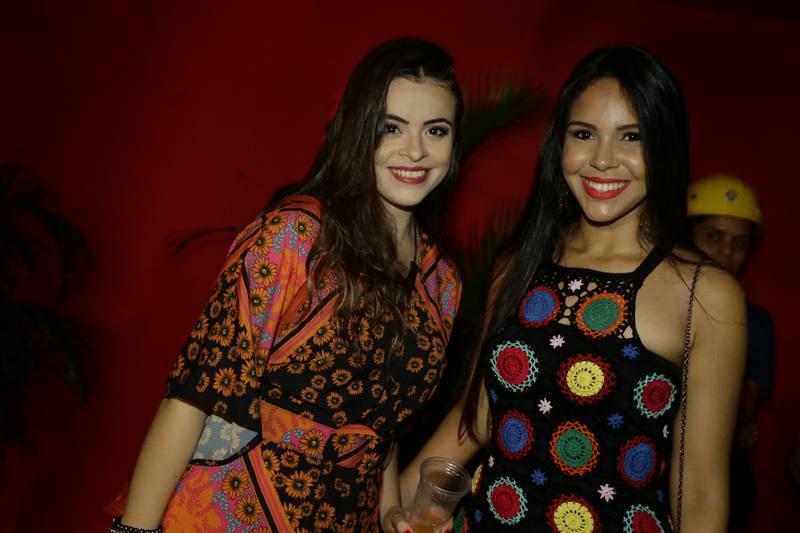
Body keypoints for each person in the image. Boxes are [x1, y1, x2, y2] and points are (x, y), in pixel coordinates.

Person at [113, 37, 463, 532]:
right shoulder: (296, 237)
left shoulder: (442, 282)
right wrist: (133, 530)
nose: (415, 150)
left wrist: (391, 515)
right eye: (391, 127)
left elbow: (380, 430)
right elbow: (193, 396)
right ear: (357, 130)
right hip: (230, 513)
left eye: (435, 130)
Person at [391, 46, 746, 532]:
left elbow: (701, 491)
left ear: (664, 147)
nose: (602, 160)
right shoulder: (519, 263)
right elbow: (476, 416)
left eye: (632, 137)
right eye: (584, 134)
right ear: (559, 143)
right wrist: (392, 509)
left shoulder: (704, 293)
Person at [686, 173, 774, 530]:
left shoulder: (755, 323)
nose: (726, 252)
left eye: (739, 243)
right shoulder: (651, 305)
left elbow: (743, 404)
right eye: (713, 236)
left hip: (717, 477)